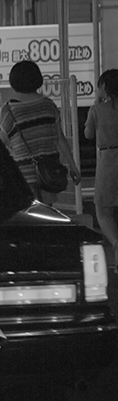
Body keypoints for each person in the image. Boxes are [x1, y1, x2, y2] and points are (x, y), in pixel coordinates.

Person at [0, 60, 80, 204]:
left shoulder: (10, 110)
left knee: (30, 218)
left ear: (14, 81)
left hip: (24, 176)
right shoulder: (48, 105)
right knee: (48, 216)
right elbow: (60, 139)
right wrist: (73, 166)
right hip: (49, 173)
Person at [85, 69, 118, 267]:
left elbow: (88, 134)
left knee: (103, 210)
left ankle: (116, 244)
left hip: (108, 159)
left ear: (104, 87)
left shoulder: (97, 110)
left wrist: (96, 104)